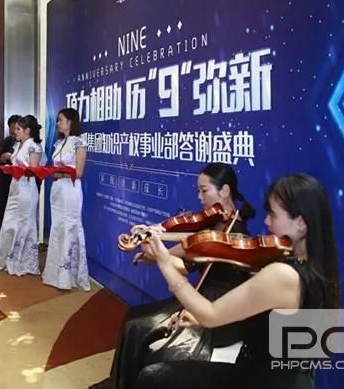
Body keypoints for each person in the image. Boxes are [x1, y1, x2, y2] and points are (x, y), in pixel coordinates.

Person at [133, 173, 340, 388]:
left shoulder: (284, 275)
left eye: (273, 215)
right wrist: (198, 317)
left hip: (264, 381)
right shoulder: (317, 267)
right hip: (289, 378)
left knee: (154, 377)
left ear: (301, 223)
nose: (266, 222)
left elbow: (211, 315)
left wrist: (165, 264)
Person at [92, 162, 256, 389]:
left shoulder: (230, 231)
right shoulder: (217, 222)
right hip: (203, 295)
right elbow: (183, 254)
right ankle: (121, 382)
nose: (199, 197)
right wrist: (154, 244)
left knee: (139, 326)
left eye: (204, 190)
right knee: (133, 318)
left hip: (215, 304)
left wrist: (158, 253)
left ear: (225, 190)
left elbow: (181, 266)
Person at [0, 115, 45, 276]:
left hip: (27, 189)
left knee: (24, 223)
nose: (15, 131)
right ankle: (7, 257)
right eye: (15, 129)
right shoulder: (18, 144)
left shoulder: (34, 146)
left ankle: (23, 261)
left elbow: (33, 170)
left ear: (27, 130)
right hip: (15, 187)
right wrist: (8, 169)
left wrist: (17, 170)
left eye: (18, 129)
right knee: (10, 222)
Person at [42, 108, 90, 291]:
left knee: (70, 226)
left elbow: (79, 172)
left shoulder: (79, 142)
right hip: (57, 189)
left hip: (71, 189)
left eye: (61, 120)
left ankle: (69, 274)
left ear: (70, 122)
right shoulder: (59, 143)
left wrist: (60, 173)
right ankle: (55, 273)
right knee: (58, 228)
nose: (58, 123)